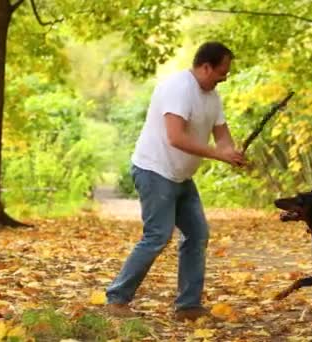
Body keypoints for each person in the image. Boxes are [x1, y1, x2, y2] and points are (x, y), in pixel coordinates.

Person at [105, 41, 246, 321]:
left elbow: (222, 136)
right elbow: (176, 137)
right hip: (154, 170)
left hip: (181, 176)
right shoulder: (179, 88)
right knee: (157, 236)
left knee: (197, 234)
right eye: (222, 71)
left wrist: (232, 153)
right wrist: (219, 155)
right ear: (205, 67)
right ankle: (116, 299)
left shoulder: (212, 95)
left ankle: (188, 306)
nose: (225, 77)